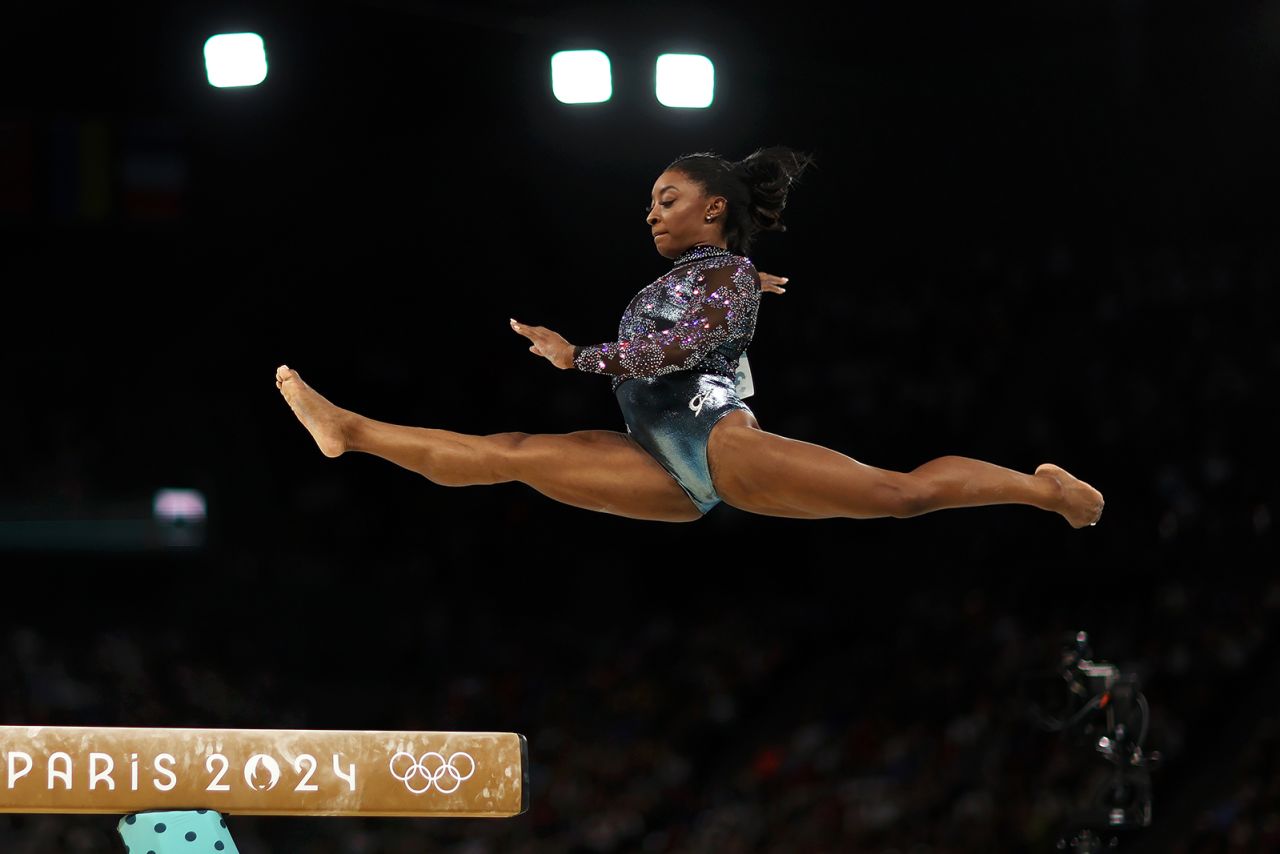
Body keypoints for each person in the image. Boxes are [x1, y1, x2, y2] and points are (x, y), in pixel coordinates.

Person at [275, 146, 1104, 528]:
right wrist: (744, 278)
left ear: (713, 206)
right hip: (656, 462)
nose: (650, 211)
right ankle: (350, 433)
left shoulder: (726, 275)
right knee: (512, 453)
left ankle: (1043, 489)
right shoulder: (716, 274)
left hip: (714, 442)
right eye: (648, 201)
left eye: (666, 197)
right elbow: (707, 307)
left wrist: (578, 355)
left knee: (900, 495)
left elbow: (675, 351)